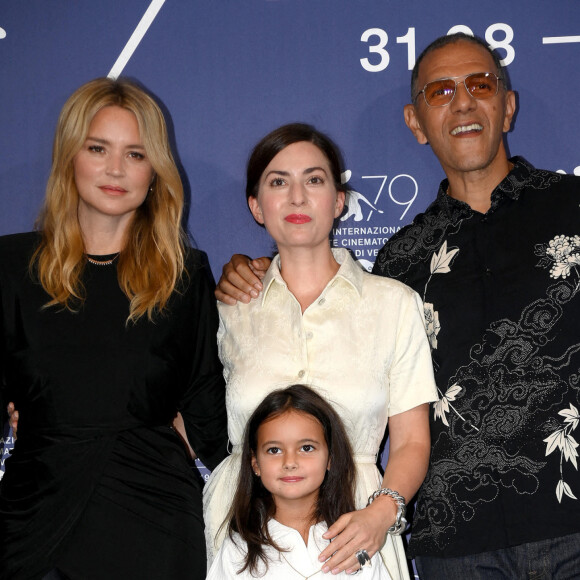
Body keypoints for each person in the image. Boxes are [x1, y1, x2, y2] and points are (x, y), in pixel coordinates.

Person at [217, 33, 580, 578]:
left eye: (480, 85)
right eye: (440, 91)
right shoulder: (399, 261)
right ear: (416, 121)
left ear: (507, 106)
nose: (462, 102)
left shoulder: (572, 208)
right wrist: (252, 268)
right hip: (454, 543)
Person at [0, 77, 227, 579]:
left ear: (156, 172)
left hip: (155, 520)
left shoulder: (183, 275)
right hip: (32, 515)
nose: (116, 169)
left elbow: (209, 405)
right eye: (98, 148)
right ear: (69, 157)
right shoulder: (9, 266)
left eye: (136, 154)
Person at [204, 123, 437, 579]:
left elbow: (411, 441)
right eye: (278, 182)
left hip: (358, 535)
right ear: (255, 205)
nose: (296, 197)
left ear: (339, 200)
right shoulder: (229, 308)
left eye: (313, 180)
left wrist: (381, 515)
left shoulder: (392, 303)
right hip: (243, 537)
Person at [208, 384, 391, 579]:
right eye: (274, 450)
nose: (290, 462)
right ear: (255, 464)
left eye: (306, 448)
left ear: (330, 458)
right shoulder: (237, 551)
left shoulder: (356, 543)